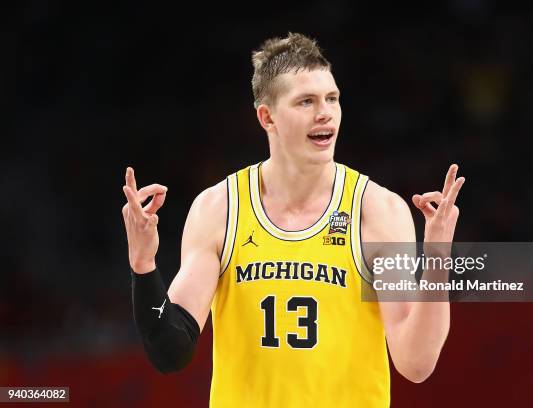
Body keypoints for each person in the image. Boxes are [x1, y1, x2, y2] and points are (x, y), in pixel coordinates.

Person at [121, 32, 465, 407]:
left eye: (332, 98)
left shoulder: (377, 211)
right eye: (306, 101)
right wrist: (143, 265)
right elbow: (170, 351)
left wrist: (437, 257)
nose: (325, 112)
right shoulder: (220, 208)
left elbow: (416, 363)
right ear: (267, 117)